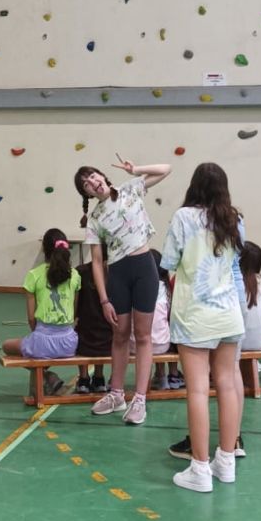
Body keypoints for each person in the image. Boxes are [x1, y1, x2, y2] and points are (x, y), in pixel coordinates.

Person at [162, 162, 244, 493]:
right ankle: (226, 462)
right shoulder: (235, 219)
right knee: (226, 384)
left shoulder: (183, 217)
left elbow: (167, 262)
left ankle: (199, 467)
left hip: (195, 315)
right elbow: (236, 262)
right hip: (229, 314)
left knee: (197, 388)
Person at [74, 155, 171, 425]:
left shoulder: (130, 189)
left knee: (142, 335)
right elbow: (95, 261)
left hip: (143, 266)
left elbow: (166, 168)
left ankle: (139, 398)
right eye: (85, 184)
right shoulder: (95, 218)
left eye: (93, 176)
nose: (92, 182)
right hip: (117, 272)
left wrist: (136, 169)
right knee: (119, 335)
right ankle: (116, 394)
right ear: (87, 193)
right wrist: (104, 299)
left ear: (103, 176)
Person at [2, 228, 80, 397]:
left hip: (42, 341)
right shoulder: (74, 275)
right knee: (39, 353)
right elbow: (75, 312)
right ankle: (45, 379)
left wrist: (40, 336)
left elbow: (31, 318)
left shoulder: (34, 275)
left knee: (7, 346)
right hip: (69, 343)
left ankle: (48, 377)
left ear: (44, 249)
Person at [129, 250, 172, 389]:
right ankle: (162, 375)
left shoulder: (136, 285)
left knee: (143, 338)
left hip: (136, 344)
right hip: (162, 344)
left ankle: (144, 382)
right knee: (160, 330)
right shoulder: (165, 287)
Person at [74, 244, 112, 394]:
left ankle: (83, 378)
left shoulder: (81, 272)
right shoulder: (114, 273)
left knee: (81, 331)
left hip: (85, 335)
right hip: (107, 337)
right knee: (104, 329)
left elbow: (75, 306)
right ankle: (99, 377)